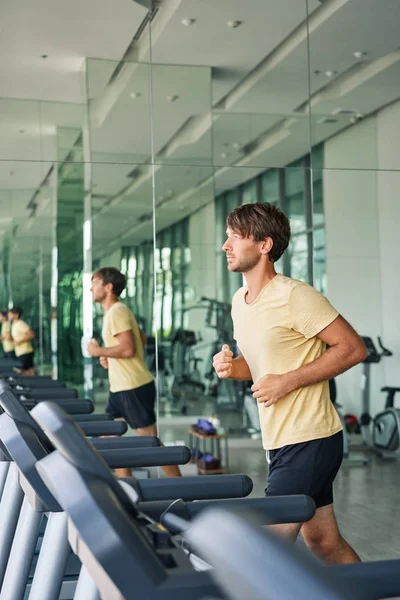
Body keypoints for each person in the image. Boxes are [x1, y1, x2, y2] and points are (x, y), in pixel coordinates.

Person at [213, 202, 367, 565]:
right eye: (227, 236)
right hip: (280, 439)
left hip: (309, 437)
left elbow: (352, 348)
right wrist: (232, 367)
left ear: (264, 245)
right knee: (325, 543)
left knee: (267, 551)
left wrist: (289, 381)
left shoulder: (296, 296)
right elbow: (262, 364)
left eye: (235, 236)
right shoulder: (240, 301)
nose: (226, 245)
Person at [87, 267, 181, 478]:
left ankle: (182, 488)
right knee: (111, 439)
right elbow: (141, 339)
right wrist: (109, 356)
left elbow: (128, 348)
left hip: (133, 386)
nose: (90, 288)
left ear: (108, 287)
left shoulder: (117, 312)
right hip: (120, 387)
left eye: (95, 283)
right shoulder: (119, 311)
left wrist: (98, 351)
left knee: (150, 442)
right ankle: (127, 490)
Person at [8, 306, 35, 375]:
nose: (9, 315)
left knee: (20, 371)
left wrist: (19, 341)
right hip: (20, 353)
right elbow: (17, 338)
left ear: (16, 315)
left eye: (10, 313)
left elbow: (31, 334)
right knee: (30, 372)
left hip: (25, 352)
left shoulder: (21, 323)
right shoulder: (14, 324)